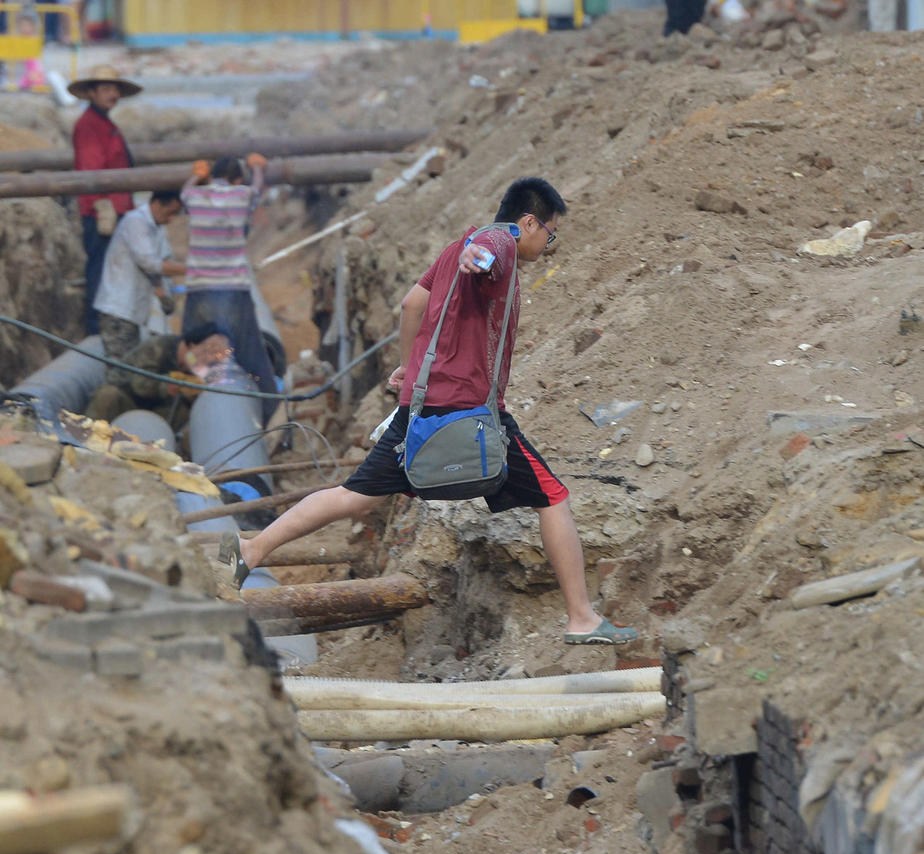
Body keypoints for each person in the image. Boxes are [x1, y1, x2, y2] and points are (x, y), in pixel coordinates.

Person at [219, 176, 638, 647]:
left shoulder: (457, 245)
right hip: (470, 411)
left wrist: (410, 367)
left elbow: (410, 304)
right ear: (528, 222)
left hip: (421, 410)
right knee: (553, 497)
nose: (550, 243)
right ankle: (581, 617)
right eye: (551, 233)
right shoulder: (495, 241)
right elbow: (486, 256)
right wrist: (478, 260)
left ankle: (251, 549)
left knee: (354, 495)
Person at [180, 154, 277, 404]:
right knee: (249, 354)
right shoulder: (241, 195)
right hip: (233, 290)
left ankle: (188, 407)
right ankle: (269, 409)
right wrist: (257, 168)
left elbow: (184, 192)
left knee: (193, 351)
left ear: (212, 176)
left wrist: (197, 176)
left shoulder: (196, 196)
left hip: (199, 289)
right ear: (237, 179)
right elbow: (256, 189)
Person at [69, 64, 142, 335]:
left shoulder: (104, 123)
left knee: (114, 271)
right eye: (106, 89)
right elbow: (91, 169)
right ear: (92, 93)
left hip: (116, 206)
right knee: (101, 271)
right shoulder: (89, 125)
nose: (112, 94)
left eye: (115, 89)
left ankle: (112, 327)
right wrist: (103, 207)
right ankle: (96, 330)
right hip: (103, 211)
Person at [92, 189, 185, 398]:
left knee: (129, 368)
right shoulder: (136, 222)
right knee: (118, 372)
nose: (171, 219)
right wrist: (193, 269)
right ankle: (107, 415)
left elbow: (154, 267)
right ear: (158, 204)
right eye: (170, 212)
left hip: (131, 311)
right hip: (118, 309)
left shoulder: (155, 227)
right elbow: (150, 263)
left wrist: (163, 295)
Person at [86, 323, 234, 433]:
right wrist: (171, 385)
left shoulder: (196, 368)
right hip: (127, 401)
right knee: (108, 395)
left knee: (183, 411)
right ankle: (85, 440)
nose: (207, 361)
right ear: (191, 345)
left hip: (157, 414)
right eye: (206, 352)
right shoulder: (158, 347)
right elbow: (140, 384)